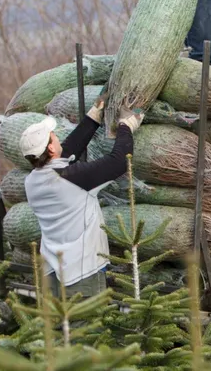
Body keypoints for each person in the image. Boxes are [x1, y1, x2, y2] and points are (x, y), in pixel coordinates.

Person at [20, 93, 144, 298]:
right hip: (82, 276)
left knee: (60, 329)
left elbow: (66, 153)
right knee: (85, 329)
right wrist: (125, 127)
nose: (57, 136)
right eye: (53, 136)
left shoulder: (32, 181)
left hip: (52, 274)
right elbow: (119, 161)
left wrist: (92, 119)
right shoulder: (72, 179)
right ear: (51, 147)